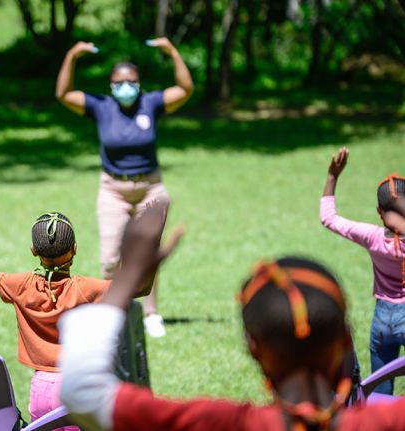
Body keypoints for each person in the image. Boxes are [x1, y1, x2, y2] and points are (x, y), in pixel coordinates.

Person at [58, 204, 405, 431]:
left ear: (251, 346)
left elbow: (83, 392)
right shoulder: (389, 422)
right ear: (346, 340)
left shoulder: (222, 424)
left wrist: (128, 277)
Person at [0, 207, 166, 428]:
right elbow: (141, 287)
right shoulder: (87, 289)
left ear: (34, 250)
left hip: (42, 393)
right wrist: (153, 238)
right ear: (75, 249)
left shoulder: (21, 285)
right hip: (80, 387)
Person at [55, 37, 194, 337]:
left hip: (151, 189)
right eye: (119, 82)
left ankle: (150, 313)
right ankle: (114, 312)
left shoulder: (151, 104)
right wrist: (72, 55)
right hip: (113, 191)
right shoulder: (101, 107)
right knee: (110, 261)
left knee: (146, 256)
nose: (126, 87)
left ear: (140, 83)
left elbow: (185, 89)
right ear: (111, 86)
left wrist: (172, 52)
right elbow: (63, 93)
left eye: (131, 81)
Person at [320, 146, 405, 395]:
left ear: (380, 213)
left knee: (379, 391)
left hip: (382, 321)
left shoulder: (371, 236)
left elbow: (328, 218)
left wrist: (332, 176)